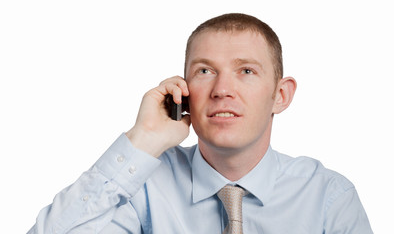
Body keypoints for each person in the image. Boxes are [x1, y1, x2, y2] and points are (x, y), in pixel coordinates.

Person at [28, 13, 373, 234]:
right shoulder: (143, 189)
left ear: (280, 95)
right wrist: (144, 139)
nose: (222, 90)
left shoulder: (329, 196)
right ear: (184, 91)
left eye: (247, 71)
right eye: (205, 71)